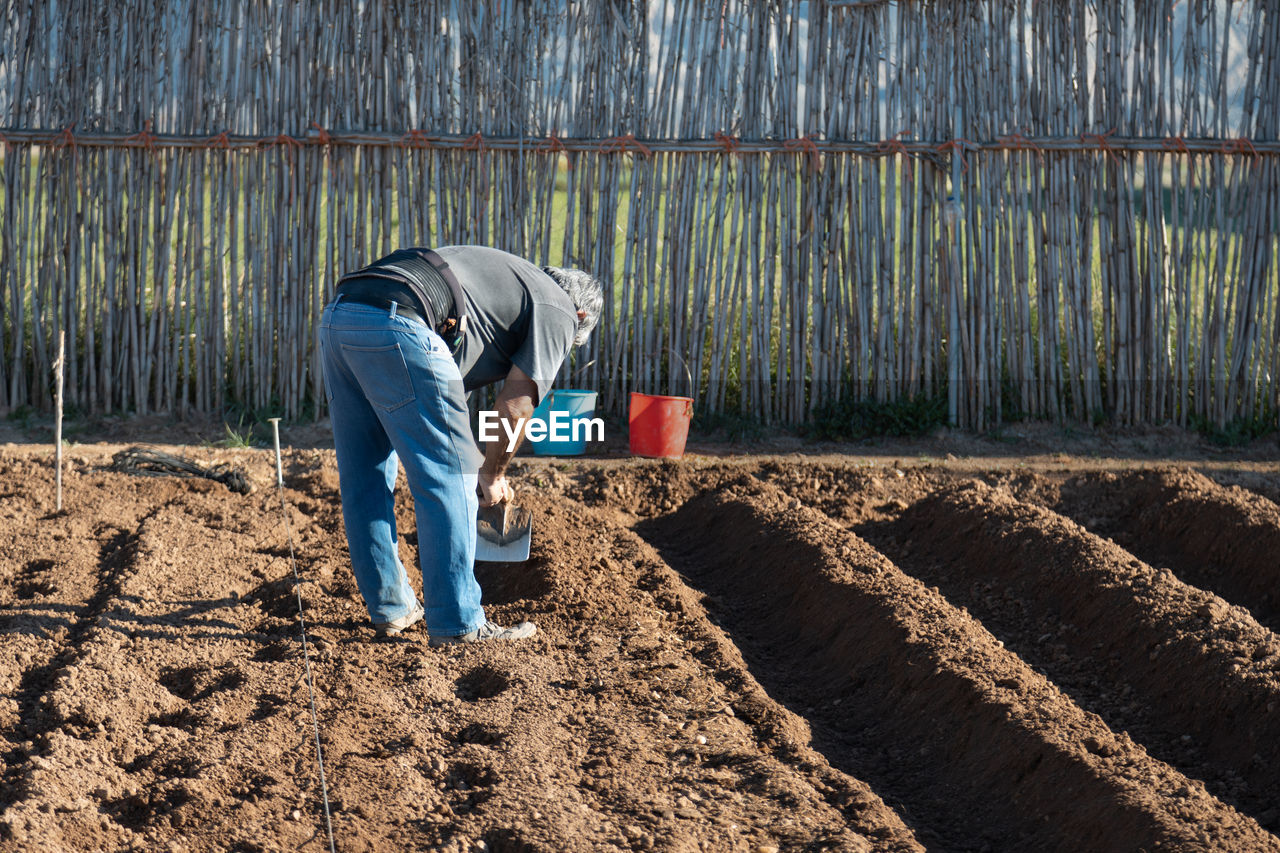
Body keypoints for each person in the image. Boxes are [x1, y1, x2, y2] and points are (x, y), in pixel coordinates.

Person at [318, 245, 603, 645]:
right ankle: (459, 622)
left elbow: (444, 397)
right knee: (452, 480)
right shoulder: (558, 308)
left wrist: (479, 458)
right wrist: (491, 473)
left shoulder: (505, 287)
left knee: (364, 475)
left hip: (342, 315)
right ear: (581, 318)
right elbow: (518, 404)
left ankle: (392, 607)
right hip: (402, 321)